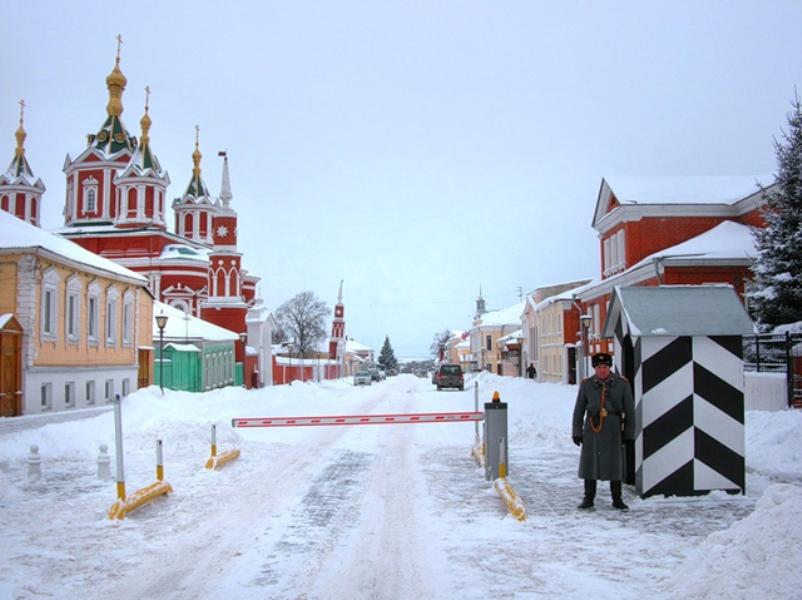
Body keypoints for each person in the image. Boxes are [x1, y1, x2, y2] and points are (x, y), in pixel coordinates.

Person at [572, 352, 635, 510]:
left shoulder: (622, 384)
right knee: (590, 464)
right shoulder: (587, 385)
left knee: (615, 464)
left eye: (605, 367)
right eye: (599, 367)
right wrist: (576, 431)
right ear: (595, 368)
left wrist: (628, 433)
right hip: (592, 428)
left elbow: (630, 410)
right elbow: (579, 409)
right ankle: (588, 497)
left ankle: (617, 498)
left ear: (609, 367)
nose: (602, 370)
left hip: (613, 429)